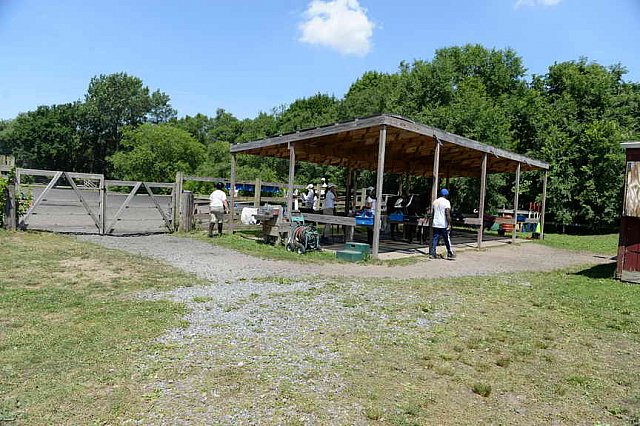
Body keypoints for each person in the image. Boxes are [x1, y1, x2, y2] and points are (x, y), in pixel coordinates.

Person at [430, 188, 455, 259]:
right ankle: (449, 252)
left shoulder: (435, 201)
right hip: (443, 223)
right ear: (446, 195)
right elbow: (447, 213)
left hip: (436, 223)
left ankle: (432, 253)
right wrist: (449, 223)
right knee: (446, 238)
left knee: (435, 238)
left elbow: (433, 212)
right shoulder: (446, 202)